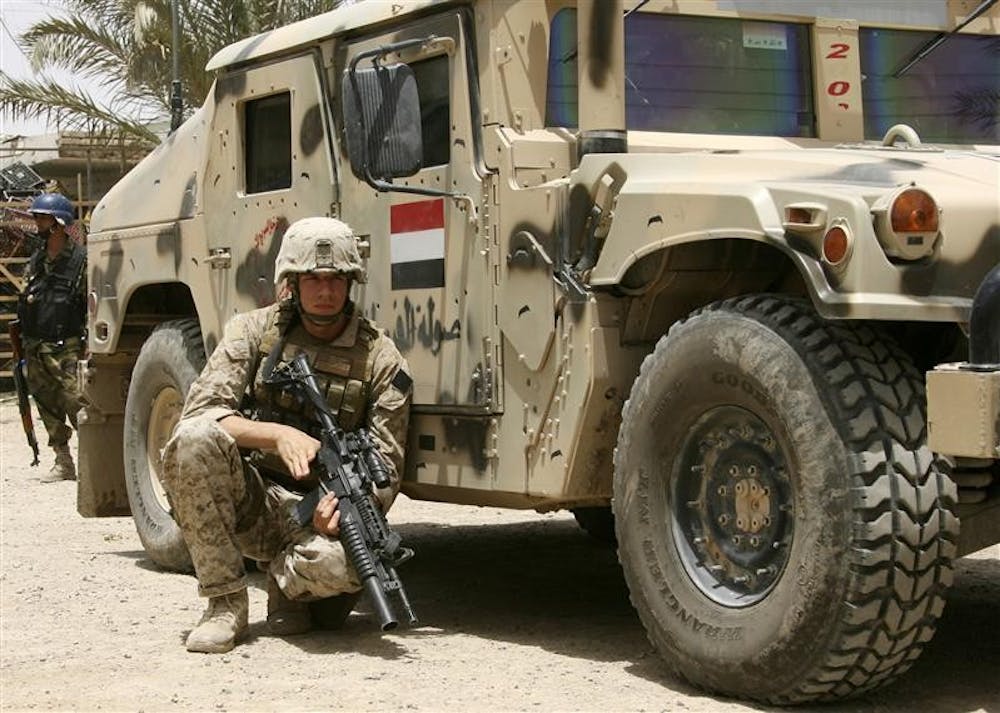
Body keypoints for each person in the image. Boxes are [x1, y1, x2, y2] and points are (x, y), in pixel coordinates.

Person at [160, 217, 412, 654]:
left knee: (349, 566)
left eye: (336, 279)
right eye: (312, 278)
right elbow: (200, 413)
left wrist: (345, 513)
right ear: (291, 282)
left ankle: (283, 580)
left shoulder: (382, 359)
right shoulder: (254, 332)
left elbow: (387, 467)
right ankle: (225, 604)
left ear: (352, 282)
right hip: (252, 498)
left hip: (320, 516)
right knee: (195, 439)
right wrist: (276, 435)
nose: (325, 290)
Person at [17, 192, 86, 482]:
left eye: (42, 219)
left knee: (78, 404)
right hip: (36, 348)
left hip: (67, 348)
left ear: (58, 223)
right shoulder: (36, 261)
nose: (37, 225)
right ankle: (63, 461)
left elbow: (91, 306)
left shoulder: (81, 261)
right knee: (46, 405)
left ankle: (97, 462)